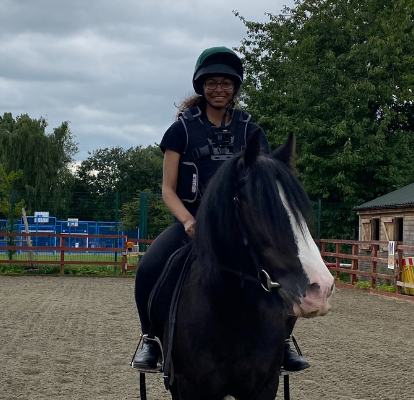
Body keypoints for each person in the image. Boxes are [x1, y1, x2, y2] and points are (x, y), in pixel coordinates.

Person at [132, 46, 309, 372]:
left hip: (243, 228)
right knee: (150, 267)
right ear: (201, 86)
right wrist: (187, 221)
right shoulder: (180, 131)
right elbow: (168, 190)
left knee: (282, 270)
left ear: (235, 87)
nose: (219, 89)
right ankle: (151, 341)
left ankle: (282, 342)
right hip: (194, 226)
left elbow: (264, 187)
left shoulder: (251, 132)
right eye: (211, 83)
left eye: (226, 83)